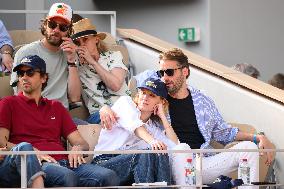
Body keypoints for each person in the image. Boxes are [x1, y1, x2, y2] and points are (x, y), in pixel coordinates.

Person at [100, 48, 275, 184]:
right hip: (173, 162)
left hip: (203, 162)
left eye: (169, 72)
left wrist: (255, 137)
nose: (164, 78)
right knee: (182, 149)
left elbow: (223, 132)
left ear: (185, 72)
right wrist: (105, 108)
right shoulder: (156, 98)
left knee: (248, 149)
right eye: (161, 73)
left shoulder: (203, 100)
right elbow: (132, 104)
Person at [0, 55, 119, 187]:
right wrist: (32, 152)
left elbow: (82, 143)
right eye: (21, 73)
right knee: (67, 176)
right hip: (36, 164)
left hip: (64, 162)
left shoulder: (56, 107)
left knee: (109, 176)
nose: (24, 77)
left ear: (44, 78)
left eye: (30, 72)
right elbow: (2, 142)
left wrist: (77, 148)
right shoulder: (8, 103)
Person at [10, 2, 81, 109]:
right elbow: (21, 97)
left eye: (62, 27)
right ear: (45, 25)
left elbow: (75, 97)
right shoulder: (26, 52)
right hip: (35, 114)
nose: (56, 30)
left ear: (69, 31)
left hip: (61, 116)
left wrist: (72, 61)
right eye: (52, 24)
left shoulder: (70, 55)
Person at [71, 18, 130, 124]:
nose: (82, 45)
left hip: (124, 108)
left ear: (96, 39)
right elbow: (74, 98)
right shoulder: (76, 66)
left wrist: (93, 62)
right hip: (99, 114)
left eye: (85, 39)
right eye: (77, 42)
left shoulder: (113, 56)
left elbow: (115, 85)